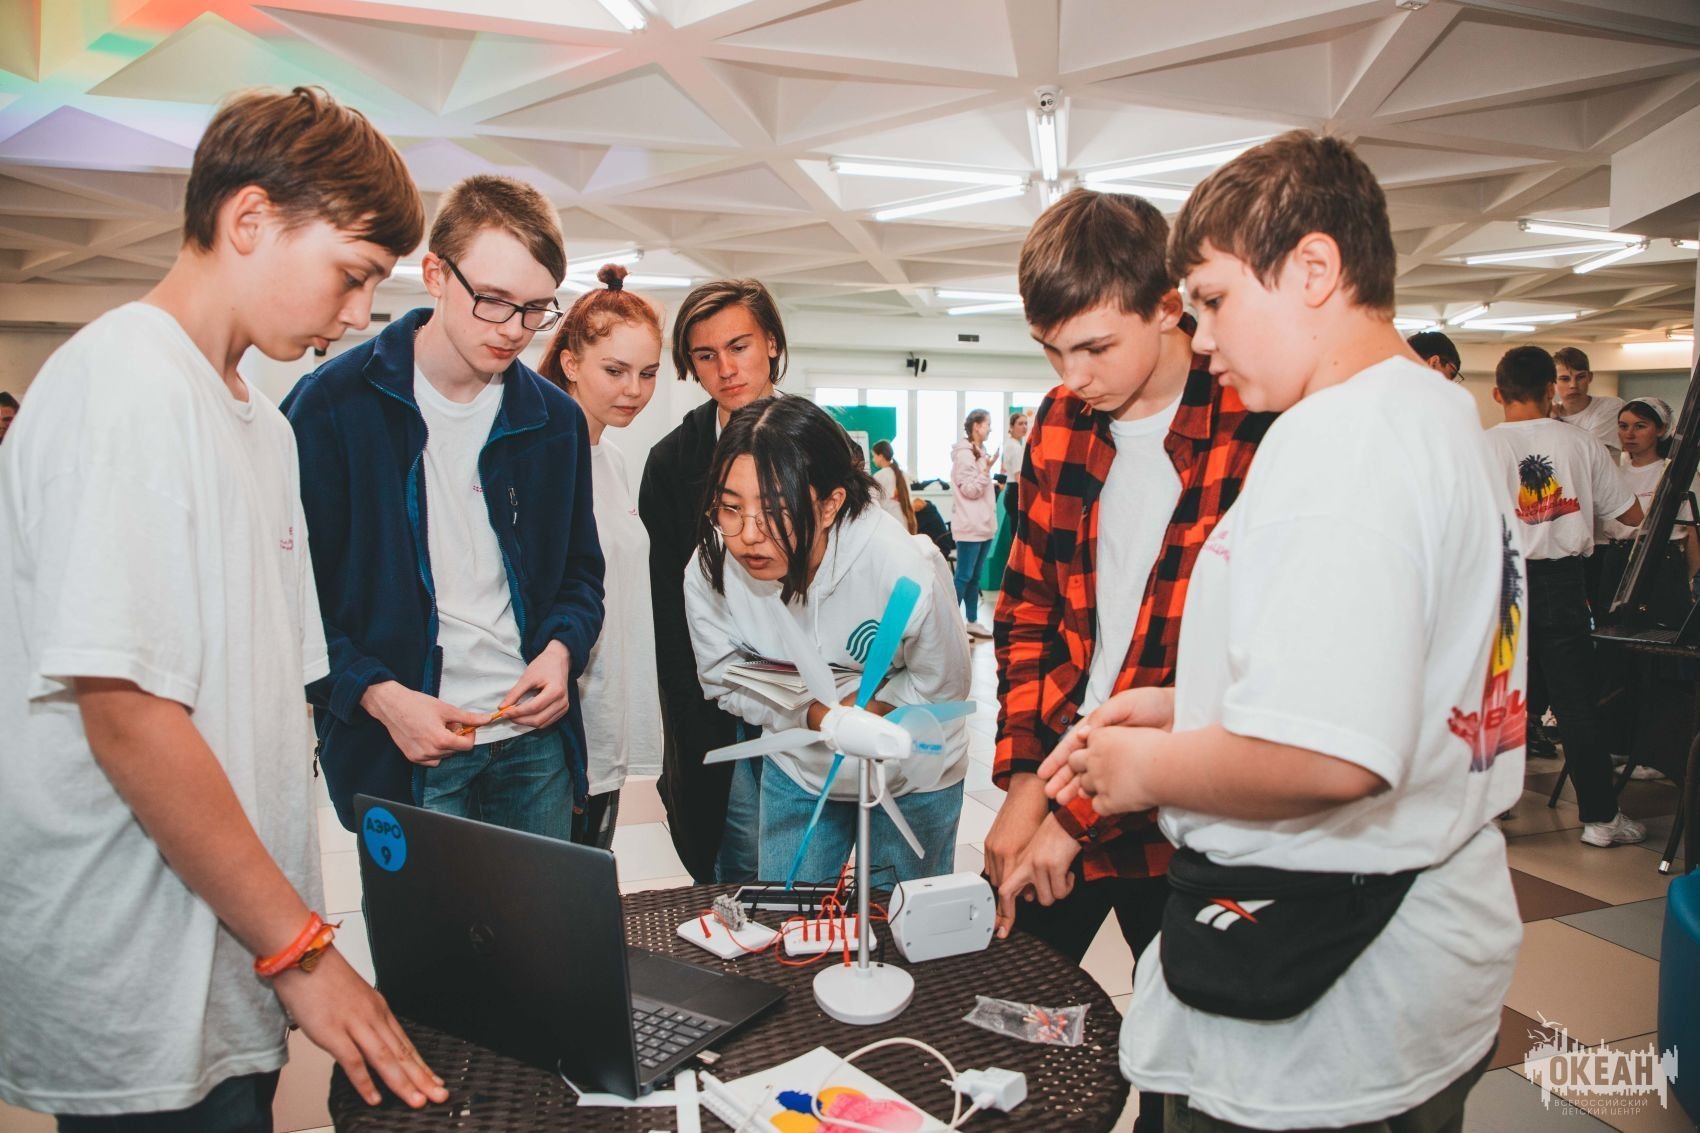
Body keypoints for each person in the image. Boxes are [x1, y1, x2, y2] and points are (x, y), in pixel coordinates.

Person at [1047, 131, 1528, 1131]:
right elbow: (1391, 670)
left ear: (1314, 268)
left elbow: (1328, 755)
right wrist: (1188, 704)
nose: (1201, 337)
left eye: (1215, 298)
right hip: (1412, 946)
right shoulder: (1433, 411)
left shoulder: (1338, 438)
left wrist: (1145, 769)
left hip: (1325, 989)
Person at [0, 86, 448, 1128]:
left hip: (230, 946)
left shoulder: (264, 426)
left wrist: (284, 933)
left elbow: (262, 703)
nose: (357, 316)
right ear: (249, 218)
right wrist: (301, 950)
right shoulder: (125, 383)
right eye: (351, 275)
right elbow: (129, 713)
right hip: (135, 955)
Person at [984, 189, 1270, 1131]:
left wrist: (1067, 811)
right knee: (1003, 1030)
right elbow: (1028, 607)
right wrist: (1024, 781)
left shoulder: (1251, 423)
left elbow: (1187, 660)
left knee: (1182, 1075)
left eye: (1095, 347)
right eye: (1050, 350)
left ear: (1166, 306)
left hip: (1181, 813)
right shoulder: (1060, 421)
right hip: (1066, 772)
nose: (1072, 376)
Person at [285, 174, 605, 843]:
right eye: (493, 301)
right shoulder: (332, 407)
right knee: (424, 919)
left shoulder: (557, 421)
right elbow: (291, 600)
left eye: (536, 309)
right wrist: (379, 696)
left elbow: (581, 574)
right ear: (435, 274)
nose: (514, 330)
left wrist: (561, 650)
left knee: (540, 918)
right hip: (404, 743)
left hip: (532, 743)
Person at [685, 397, 969, 883]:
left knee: (898, 916)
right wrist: (818, 714)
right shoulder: (712, 567)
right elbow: (722, 675)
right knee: (788, 913)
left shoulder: (901, 568)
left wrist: (867, 712)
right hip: (799, 768)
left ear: (830, 504)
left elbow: (944, 688)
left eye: (774, 510)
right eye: (730, 508)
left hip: (910, 773)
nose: (748, 535)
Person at [641, 278, 788, 883]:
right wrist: (687, 707)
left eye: (739, 346)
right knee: (736, 860)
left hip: (809, 692)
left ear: (771, 344)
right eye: (706, 355)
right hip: (715, 695)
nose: (726, 369)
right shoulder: (672, 461)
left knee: (803, 857)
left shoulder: (823, 445)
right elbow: (667, 608)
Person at [1486, 345, 1643, 845]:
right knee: (1576, 703)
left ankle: (1489, 811)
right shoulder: (1581, 443)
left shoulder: (1478, 448)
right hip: (1563, 583)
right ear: (1551, 389)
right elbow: (1632, 516)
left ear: (1497, 394)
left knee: (1500, 698)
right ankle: (1600, 820)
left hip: (1498, 585)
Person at [537, 264, 663, 849]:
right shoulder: (542, 460)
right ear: (570, 363)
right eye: (615, 371)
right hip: (557, 721)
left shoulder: (610, 461)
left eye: (647, 374)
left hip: (607, 715)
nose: (633, 390)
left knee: (588, 873)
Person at [950, 408, 997, 637]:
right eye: (987, 424)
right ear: (976, 426)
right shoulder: (964, 454)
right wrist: (987, 471)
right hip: (970, 526)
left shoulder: (980, 452)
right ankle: (950, 625)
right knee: (963, 576)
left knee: (974, 577)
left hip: (983, 525)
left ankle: (972, 621)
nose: (990, 429)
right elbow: (969, 489)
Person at [1552, 346, 1624, 457]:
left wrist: (1556, 421)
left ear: (1590, 377)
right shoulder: (1548, 414)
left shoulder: (1610, 406)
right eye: (1565, 379)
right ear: (1553, 381)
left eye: (1580, 377)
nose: (1573, 385)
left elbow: (1589, 454)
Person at [871, 438, 917, 533]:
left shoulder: (880, 476)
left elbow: (872, 501)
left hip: (889, 524)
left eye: (874, 456)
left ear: (881, 456)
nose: (873, 459)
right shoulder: (903, 474)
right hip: (904, 523)